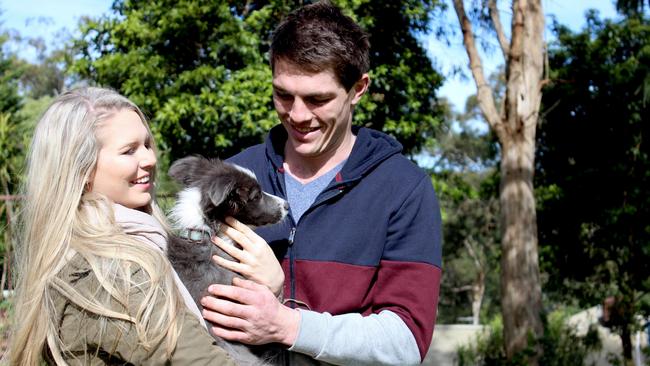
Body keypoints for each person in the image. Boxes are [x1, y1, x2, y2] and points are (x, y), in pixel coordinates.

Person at [201, 1, 443, 365]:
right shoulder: (234, 177)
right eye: (283, 94)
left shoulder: (403, 189)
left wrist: (289, 326)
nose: (297, 115)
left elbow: (405, 341)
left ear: (358, 89)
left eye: (317, 99)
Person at [6, 87, 237, 365]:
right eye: (129, 151)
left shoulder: (131, 241)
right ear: (82, 170)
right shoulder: (113, 272)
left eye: (147, 145)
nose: (150, 159)